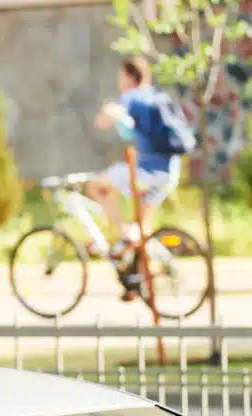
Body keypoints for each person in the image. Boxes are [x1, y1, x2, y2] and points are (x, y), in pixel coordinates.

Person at [85, 57, 194, 295]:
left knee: (96, 186)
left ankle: (121, 235)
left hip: (146, 172)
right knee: (142, 231)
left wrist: (109, 113)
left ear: (128, 77)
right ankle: (141, 281)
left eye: (121, 76)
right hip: (169, 174)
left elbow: (113, 125)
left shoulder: (131, 98)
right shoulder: (159, 97)